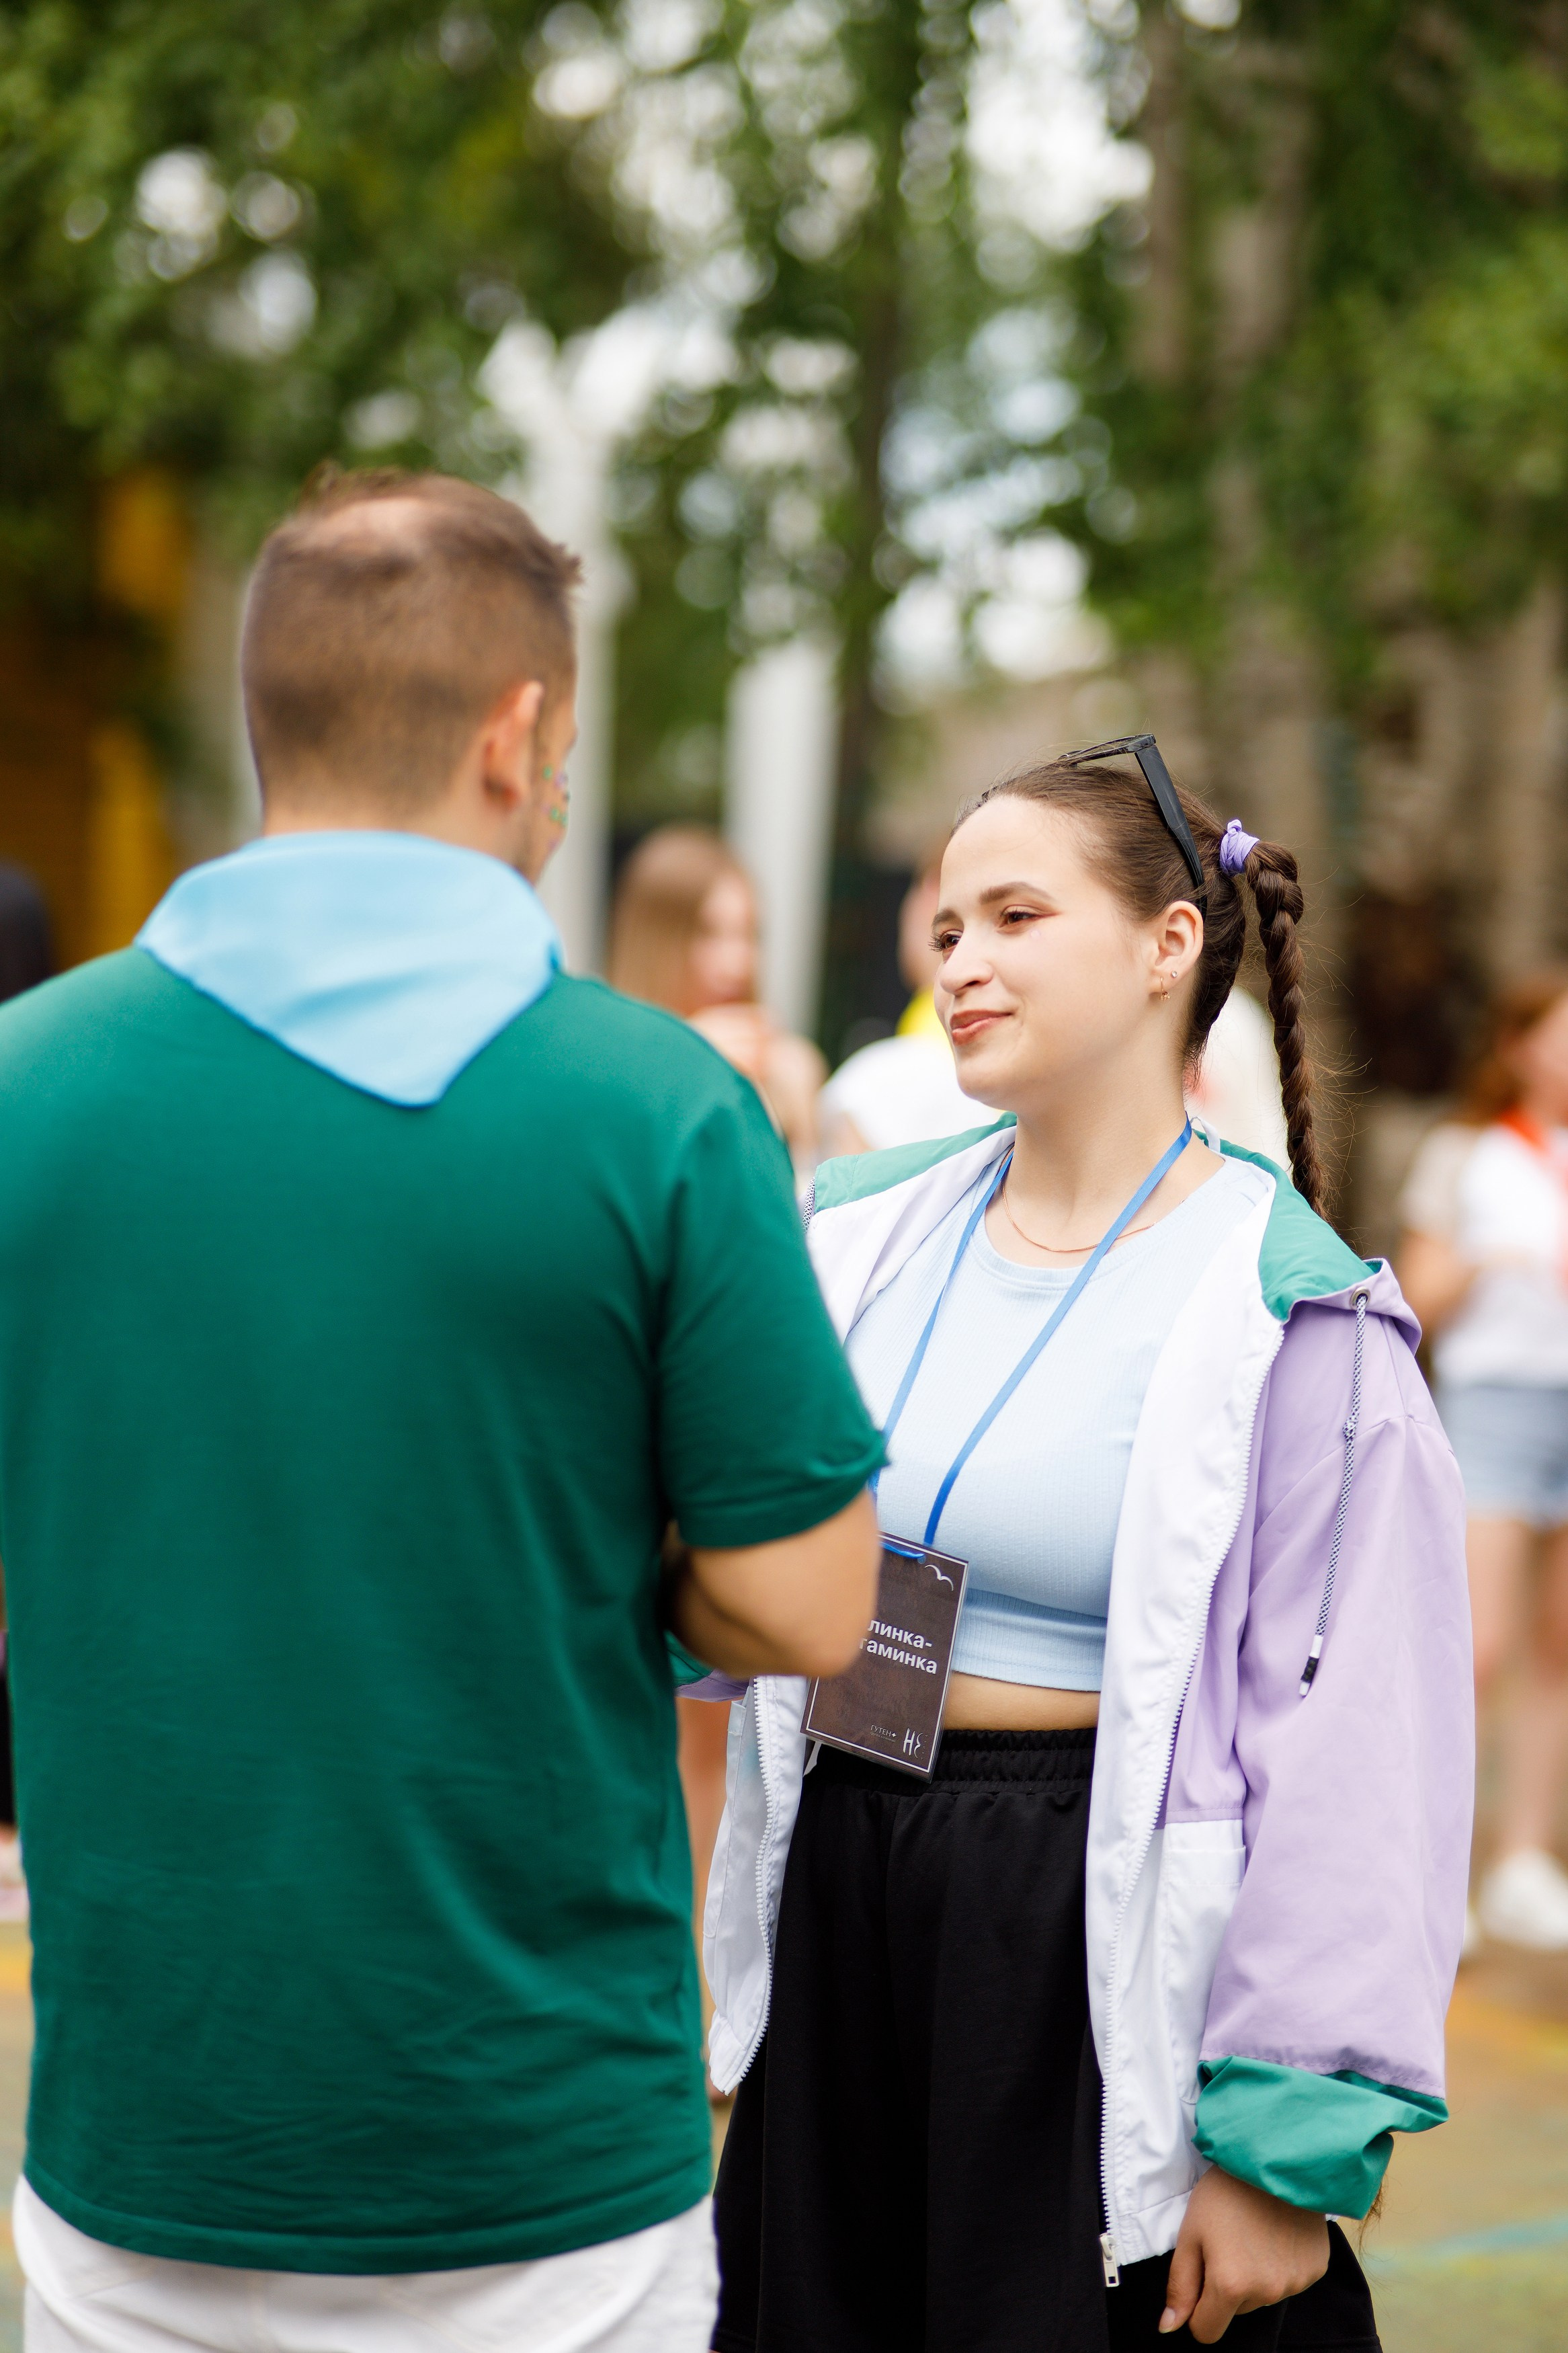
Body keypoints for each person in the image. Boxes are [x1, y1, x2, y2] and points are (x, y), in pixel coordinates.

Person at [0, 469, 884, 2353]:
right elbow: (813, 1605)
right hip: (542, 2182)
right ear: (519, 733)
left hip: (146, 2156)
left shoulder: (23, 1082)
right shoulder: (652, 1103)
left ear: (268, 721)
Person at [704, 754, 1471, 2351]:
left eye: (1013, 916)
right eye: (942, 928)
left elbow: (1362, 1761)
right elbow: (711, 1558)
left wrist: (1281, 2152)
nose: (959, 962)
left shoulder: (1299, 1321)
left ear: (1166, 945)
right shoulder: (848, 1233)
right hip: (841, 1896)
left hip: (1078, 1927)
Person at [608, 822, 831, 2007]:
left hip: (746, 1409)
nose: (733, 955)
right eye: (711, 928)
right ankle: (675, 1987)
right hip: (649, 1418)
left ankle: (713, 1987)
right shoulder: (630, 1059)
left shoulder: (775, 1063)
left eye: (747, 929)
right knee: (663, 1728)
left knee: (732, 1730)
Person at [1398, 971, 1568, 1950]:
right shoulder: (1467, 1153)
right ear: (1518, 1047)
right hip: (1494, 1404)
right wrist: (1485, 1262)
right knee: (1478, 1644)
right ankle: (1435, 1874)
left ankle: (1521, 1862)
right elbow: (1418, 1290)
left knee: (1556, 1648)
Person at [823, 848, 1288, 1164]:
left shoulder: (1278, 1280)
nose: (954, 970)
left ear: (1168, 942)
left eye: (1016, 917)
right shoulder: (888, 1093)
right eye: (947, 938)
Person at [608, 826, 825, 1172]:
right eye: (707, 934)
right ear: (653, 940)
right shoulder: (608, 1065)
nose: (737, 963)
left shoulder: (788, 1070)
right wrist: (684, 1059)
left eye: (748, 934)